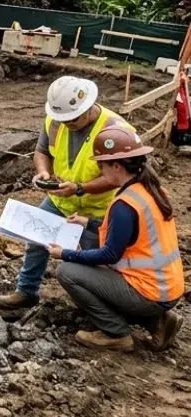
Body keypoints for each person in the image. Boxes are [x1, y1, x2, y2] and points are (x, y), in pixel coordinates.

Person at [0, 75, 134, 310]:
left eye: (73, 118)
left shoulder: (115, 131)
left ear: (89, 106)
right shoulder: (54, 121)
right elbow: (42, 151)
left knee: (97, 261)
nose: (67, 123)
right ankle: (27, 291)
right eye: (63, 118)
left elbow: (118, 177)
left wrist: (80, 189)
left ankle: (100, 309)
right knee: (37, 239)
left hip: (98, 208)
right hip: (61, 199)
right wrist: (43, 172)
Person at [48, 126, 184, 352]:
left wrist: (64, 253)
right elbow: (130, 232)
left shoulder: (124, 204)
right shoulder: (151, 189)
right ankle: (158, 322)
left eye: (101, 165)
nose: (100, 170)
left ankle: (116, 334)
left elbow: (110, 254)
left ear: (116, 166)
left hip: (149, 292)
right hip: (167, 286)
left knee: (68, 272)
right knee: (96, 271)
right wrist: (88, 222)